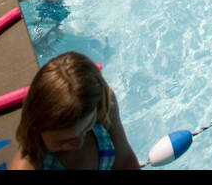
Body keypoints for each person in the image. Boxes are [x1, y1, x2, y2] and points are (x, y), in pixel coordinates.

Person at [11, 52, 140, 170]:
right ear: (36, 128)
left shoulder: (104, 106)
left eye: (86, 128)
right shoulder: (30, 164)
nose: (79, 143)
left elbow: (125, 161)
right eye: (63, 141)